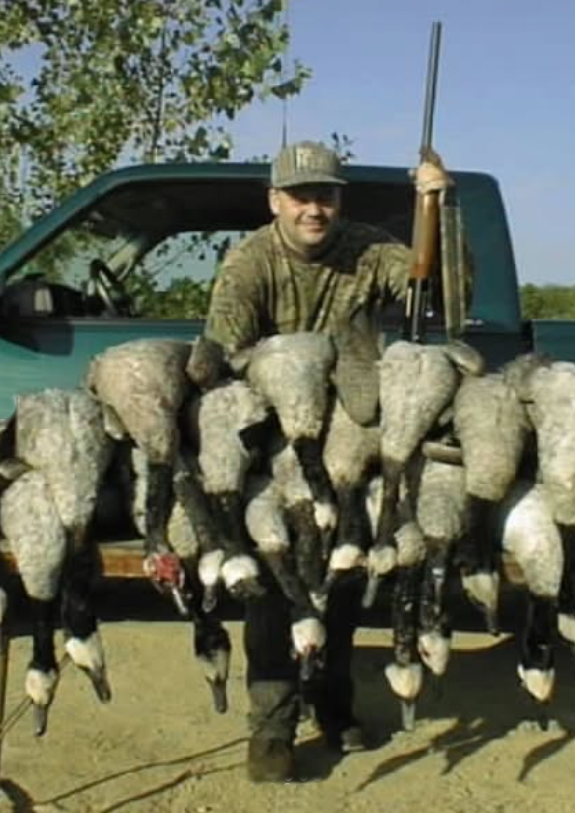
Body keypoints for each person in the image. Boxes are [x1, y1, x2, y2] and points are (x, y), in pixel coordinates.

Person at [202, 140, 453, 782]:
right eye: (302, 196)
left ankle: (331, 704)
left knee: (344, 577)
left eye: (327, 196)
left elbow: (445, 291)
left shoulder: (368, 249)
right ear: (276, 201)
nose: (315, 208)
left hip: (349, 439)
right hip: (271, 443)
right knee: (270, 583)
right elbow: (225, 359)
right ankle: (271, 725)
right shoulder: (250, 261)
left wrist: (438, 211)